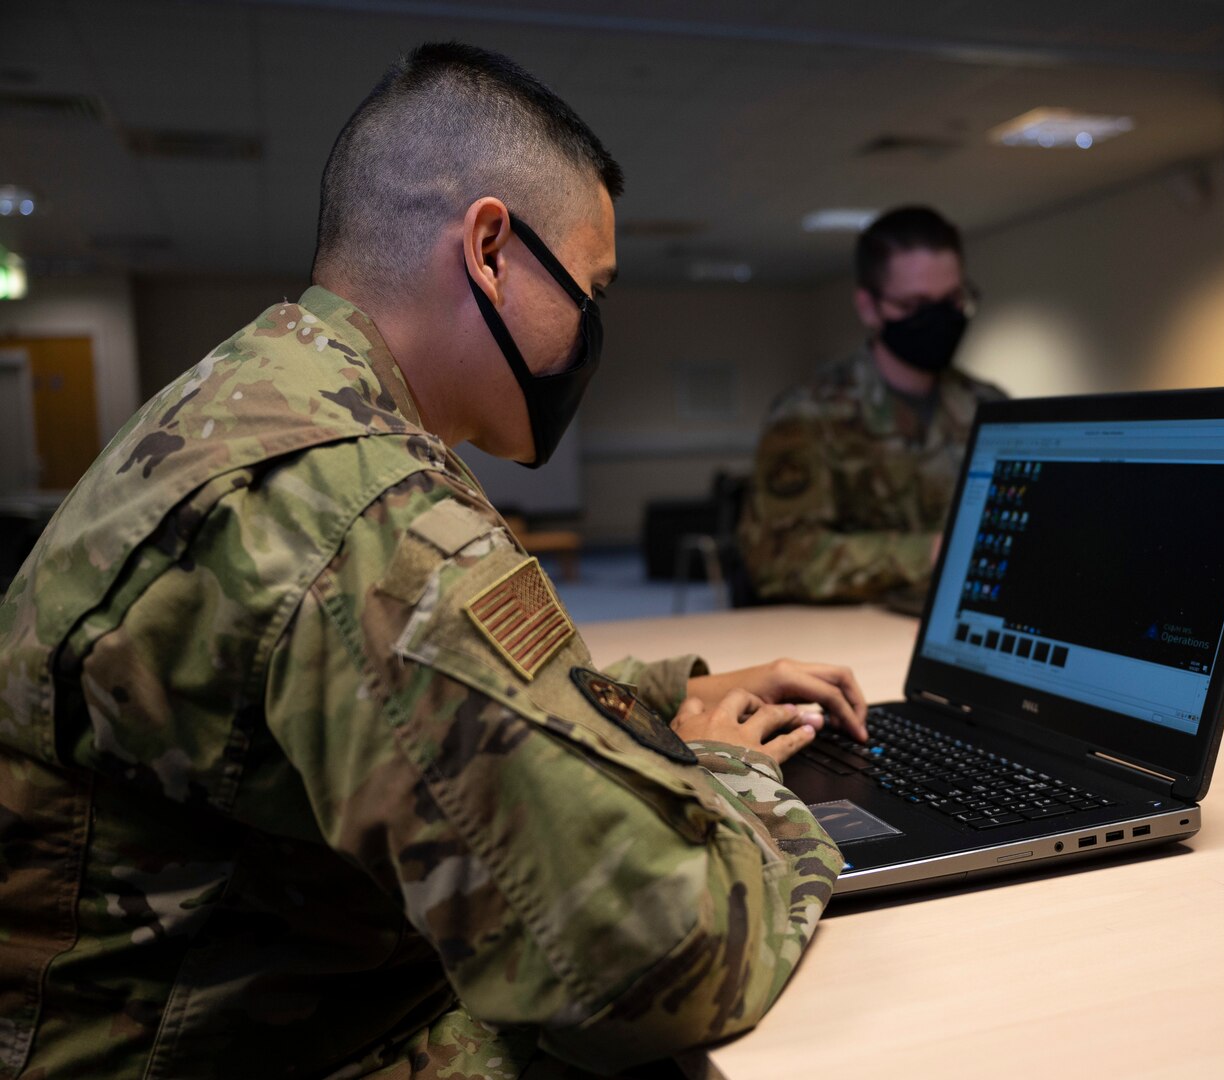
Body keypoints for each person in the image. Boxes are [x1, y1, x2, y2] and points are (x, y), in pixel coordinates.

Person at [0, 43, 868, 1079]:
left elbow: (428, 703)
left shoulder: (265, 395)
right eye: (589, 289)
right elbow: (646, 963)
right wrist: (734, 778)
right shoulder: (357, 499)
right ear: (493, 250)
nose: (593, 330)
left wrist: (667, 698)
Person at [737, 206, 1007, 604]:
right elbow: (780, 557)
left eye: (951, 300)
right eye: (913, 306)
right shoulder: (809, 415)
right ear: (869, 307)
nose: (937, 319)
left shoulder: (989, 407)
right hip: (851, 636)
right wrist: (929, 554)